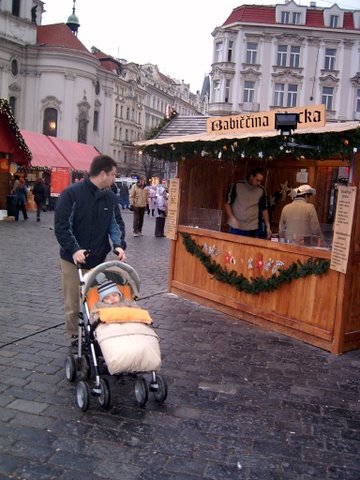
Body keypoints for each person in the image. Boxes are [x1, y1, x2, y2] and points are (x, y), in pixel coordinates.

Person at [54, 154, 127, 342]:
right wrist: (74, 249)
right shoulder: (72, 194)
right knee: (73, 302)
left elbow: (115, 224)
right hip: (72, 260)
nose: (114, 178)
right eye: (113, 174)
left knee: (96, 299)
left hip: (97, 259)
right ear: (103, 174)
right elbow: (62, 225)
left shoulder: (110, 198)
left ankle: (94, 332)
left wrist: (118, 246)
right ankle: (73, 337)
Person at [225, 167, 271, 238]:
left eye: (260, 181)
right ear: (251, 176)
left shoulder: (261, 190)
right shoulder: (237, 185)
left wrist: (268, 226)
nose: (259, 183)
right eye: (257, 180)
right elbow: (227, 203)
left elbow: (264, 209)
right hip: (235, 226)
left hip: (252, 228)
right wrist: (231, 217)